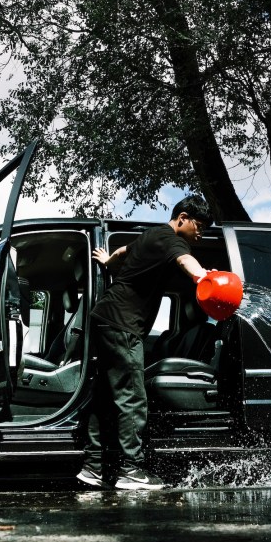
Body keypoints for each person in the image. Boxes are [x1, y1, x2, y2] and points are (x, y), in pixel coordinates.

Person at [78, 195, 212, 490]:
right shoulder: (172, 241)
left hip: (106, 318)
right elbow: (185, 260)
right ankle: (131, 471)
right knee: (133, 398)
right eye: (198, 226)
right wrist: (204, 277)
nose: (200, 233)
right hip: (123, 325)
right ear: (183, 218)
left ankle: (92, 467)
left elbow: (124, 251)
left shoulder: (152, 235)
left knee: (105, 396)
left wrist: (108, 260)